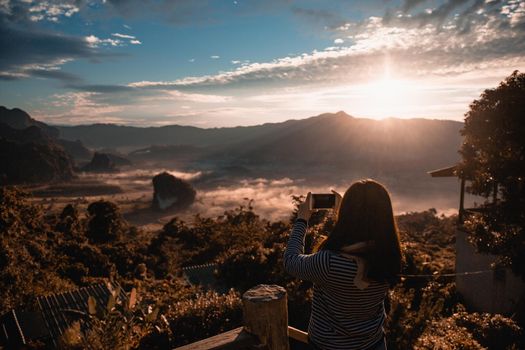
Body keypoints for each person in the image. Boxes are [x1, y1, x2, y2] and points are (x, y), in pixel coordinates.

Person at [283, 179, 402, 350]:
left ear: (348, 213)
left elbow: (290, 261)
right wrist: (344, 216)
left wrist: (302, 220)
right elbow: (358, 242)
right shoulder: (388, 256)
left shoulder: (328, 262)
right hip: (374, 344)